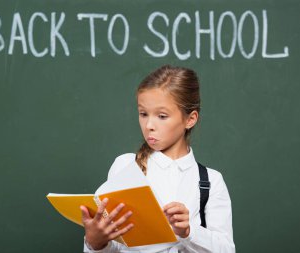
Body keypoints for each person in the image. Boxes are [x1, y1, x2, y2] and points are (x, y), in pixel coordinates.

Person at [80, 65, 235, 253]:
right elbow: (115, 245)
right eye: (143, 114)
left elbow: (227, 249)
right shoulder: (126, 166)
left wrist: (188, 231)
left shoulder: (211, 181)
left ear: (190, 119)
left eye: (162, 116)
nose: (149, 125)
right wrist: (96, 243)